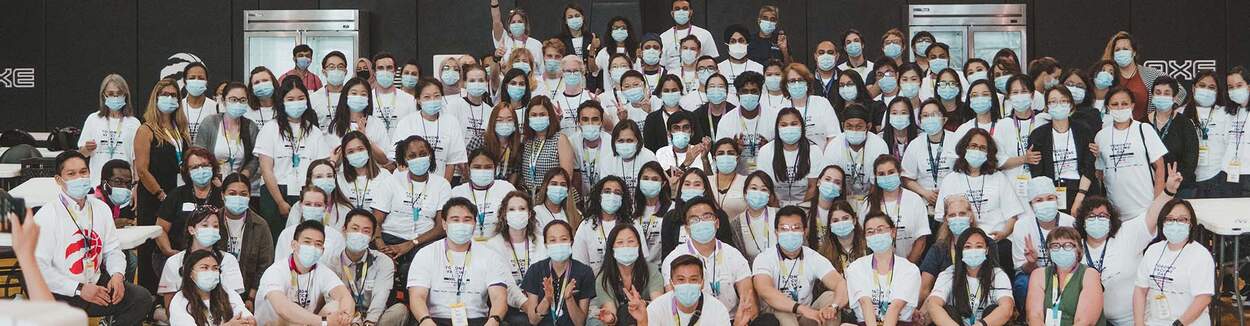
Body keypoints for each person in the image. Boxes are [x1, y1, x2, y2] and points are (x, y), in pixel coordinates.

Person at [35, 151, 155, 324]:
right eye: (71, 174)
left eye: (83, 172)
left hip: (95, 282)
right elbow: (39, 269)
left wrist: (117, 275)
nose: (79, 177)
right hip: (60, 291)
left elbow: (113, 250)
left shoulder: (101, 209)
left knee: (140, 298)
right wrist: (78, 289)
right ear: (59, 180)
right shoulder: (47, 215)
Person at [404, 198, 509, 326]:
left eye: (467, 220)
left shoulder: (490, 256)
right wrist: (425, 320)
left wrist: (494, 320)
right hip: (435, 320)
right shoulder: (426, 254)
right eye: (455, 220)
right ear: (444, 224)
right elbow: (417, 297)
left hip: (477, 321)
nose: (461, 224)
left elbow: (499, 297)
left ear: (474, 224)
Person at [371, 135, 453, 295]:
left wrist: (411, 243)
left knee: (418, 268)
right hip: (390, 237)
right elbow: (375, 221)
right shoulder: (391, 182)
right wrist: (381, 245)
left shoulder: (442, 185)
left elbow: (441, 228)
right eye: (412, 156)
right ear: (405, 160)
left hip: (424, 240)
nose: (419, 159)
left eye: (423, 154)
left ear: (431, 155)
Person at [134, 78, 192, 291]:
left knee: (175, 243)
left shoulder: (181, 129)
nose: (169, 99)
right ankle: (150, 300)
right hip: (154, 197)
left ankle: (174, 294)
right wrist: (160, 194)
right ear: (155, 98)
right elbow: (142, 169)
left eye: (173, 95)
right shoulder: (146, 129)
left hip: (177, 196)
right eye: (164, 94)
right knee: (151, 247)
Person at [660, 196, 756, 324]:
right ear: (687, 229)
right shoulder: (674, 259)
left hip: (731, 320)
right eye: (694, 219)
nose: (702, 222)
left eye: (707, 217)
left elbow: (749, 302)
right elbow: (672, 304)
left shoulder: (733, 255)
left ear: (717, 223)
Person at [256, 77, 331, 236]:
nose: (296, 102)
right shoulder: (270, 129)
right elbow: (266, 170)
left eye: (300, 98)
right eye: (290, 99)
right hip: (276, 193)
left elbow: (320, 166)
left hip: (306, 193)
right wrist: (280, 201)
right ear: (282, 102)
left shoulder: (314, 132)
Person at [752, 205, 847, 326]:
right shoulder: (764, 258)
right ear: (776, 232)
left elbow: (840, 283)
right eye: (784, 229)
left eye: (796, 228)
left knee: (830, 297)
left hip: (806, 316)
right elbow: (765, 291)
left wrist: (833, 307)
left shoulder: (812, 256)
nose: (790, 233)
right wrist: (800, 308)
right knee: (787, 316)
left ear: (805, 231)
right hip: (777, 312)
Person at [254, 220, 355, 325]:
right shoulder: (275, 271)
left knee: (335, 307)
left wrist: (345, 316)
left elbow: (344, 296)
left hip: (307, 323)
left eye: (318, 244)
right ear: (294, 245)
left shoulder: (322, 271)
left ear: (322, 251)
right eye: (307, 242)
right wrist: (323, 322)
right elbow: (282, 308)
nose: (313, 247)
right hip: (274, 323)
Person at [935, 129, 1025, 241]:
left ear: (988, 153)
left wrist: (1004, 234)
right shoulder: (950, 180)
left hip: (996, 241)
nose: (977, 150)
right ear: (964, 148)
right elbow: (943, 219)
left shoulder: (999, 178)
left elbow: (1012, 215)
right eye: (973, 146)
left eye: (983, 148)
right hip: (962, 243)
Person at [1093, 87, 1167, 218]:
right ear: (1107, 107)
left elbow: (1160, 167)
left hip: (1145, 209)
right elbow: (1099, 173)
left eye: (1124, 104)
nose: (1120, 108)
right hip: (1115, 213)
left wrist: (1157, 204)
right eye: (1115, 104)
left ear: (1132, 106)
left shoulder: (1144, 129)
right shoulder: (1101, 136)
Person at [158, 206, 245, 309]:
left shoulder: (229, 260)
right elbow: (170, 306)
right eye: (205, 225)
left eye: (215, 226)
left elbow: (235, 302)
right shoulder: (174, 262)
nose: (211, 230)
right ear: (191, 230)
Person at [924, 227, 1015, 326]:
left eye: (979, 246)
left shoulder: (997, 274)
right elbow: (933, 304)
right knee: (948, 311)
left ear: (987, 250)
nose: (973, 250)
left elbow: (1007, 308)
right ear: (961, 251)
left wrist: (980, 325)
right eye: (968, 247)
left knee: (992, 309)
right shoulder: (949, 273)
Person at [1028, 86, 1097, 212]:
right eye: (1053, 101)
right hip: (1050, 194)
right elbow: (1037, 173)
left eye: (1063, 101)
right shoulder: (1038, 135)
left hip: (1082, 191)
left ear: (1071, 105)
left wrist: (1079, 198)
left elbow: (1089, 167)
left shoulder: (1083, 130)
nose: (1058, 105)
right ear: (1047, 107)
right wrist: (1048, 199)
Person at [845, 212, 922, 325]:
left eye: (880, 230)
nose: (876, 234)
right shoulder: (856, 267)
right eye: (870, 232)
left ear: (893, 232)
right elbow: (865, 303)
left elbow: (895, 308)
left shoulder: (910, 270)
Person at [320, 209, 394, 325]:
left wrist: (369, 322)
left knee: (399, 311)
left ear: (373, 236)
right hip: (345, 317)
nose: (359, 234)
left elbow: (381, 296)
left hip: (374, 318)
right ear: (344, 230)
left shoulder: (383, 261)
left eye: (366, 231)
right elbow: (332, 298)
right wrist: (355, 322)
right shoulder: (331, 262)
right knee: (332, 308)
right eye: (354, 229)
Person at [1007, 177, 1076, 302]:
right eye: (1039, 200)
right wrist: (1031, 262)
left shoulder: (1070, 223)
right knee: (1022, 283)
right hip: (1033, 273)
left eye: (1050, 198)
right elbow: (1022, 269)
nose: (1045, 203)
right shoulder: (1022, 226)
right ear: (1031, 205)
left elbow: (1078, 261)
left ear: (1057, 200)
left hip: (1066, 271)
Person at [487, 191, 548, 325]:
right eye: (512, 209)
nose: (517, 213)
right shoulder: (493, 245)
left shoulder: (543, 243)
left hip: (540, 304)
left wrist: (537, 307)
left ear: (529, 213)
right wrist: (528, 307)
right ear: (504, 214)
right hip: (510, 309)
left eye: (522, 209)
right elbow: (505, 284)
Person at [1024, 227, 1105, 326]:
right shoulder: (1039, 275)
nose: (1061, 249)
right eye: (1055, 246)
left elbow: (1084, 322)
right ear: (1049, 251)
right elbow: (1034, 316)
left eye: (1068, 245)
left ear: (1079, 250)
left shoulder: (1090, 274)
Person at [521, 219, 596, 326]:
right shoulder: (535, 270)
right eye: (552, 240)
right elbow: (533, 320)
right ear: (546, 244)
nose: (558, 244)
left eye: (564, 239)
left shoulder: (584, 272)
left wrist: (569, 299)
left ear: (571, 242)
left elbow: (580, 323)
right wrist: (547, 300)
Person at [394, 77, 469, 181]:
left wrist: (443, 186)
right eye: (427, 97)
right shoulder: (406, 122)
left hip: (440, 182)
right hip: (410, 183)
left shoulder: (451, 122)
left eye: (437, 96)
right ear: (418, 100)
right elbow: (400, 161)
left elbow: (452, 162)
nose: (432, 100)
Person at [919, 196, 982, 317]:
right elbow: (924, 289)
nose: (958, 218)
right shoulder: (938, 249)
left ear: (971, 217)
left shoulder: (987, 244)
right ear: (946, 220)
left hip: (979, 302)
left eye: (962, 213)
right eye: (952, 215)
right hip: (946, 306)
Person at [626, 254, 732, 326]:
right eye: (681, 279)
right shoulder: (657, 308)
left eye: (693, 279)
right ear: (671, 284)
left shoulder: (717, 310)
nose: (687, 284)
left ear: (702, 283)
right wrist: (642, 322)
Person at [592, 223, 666, 326]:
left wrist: (643, 304)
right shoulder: (603, 279)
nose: (626, 246)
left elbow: (659, 304)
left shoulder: (651, 270)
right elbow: (610, 310)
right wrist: (611, 319)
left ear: (639, 245)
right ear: (612, 249)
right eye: (620, 242)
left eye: (631, 241)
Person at [156, 147, 222, 260]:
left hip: (214, 256)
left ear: (212, 167)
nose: (201, 170)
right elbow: (160, 228)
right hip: (178, 255)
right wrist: (169, 251)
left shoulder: (221, 196)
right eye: (195, 167)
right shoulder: (176, 195)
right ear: (188, 172)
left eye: (205, 165)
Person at [862, 155, 931, 263]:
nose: (886, 177)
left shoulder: (914, 199)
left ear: (899, 172)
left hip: (910, 264)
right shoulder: (868, 203)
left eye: (891, 172)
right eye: (881, 174)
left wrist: (907, 267)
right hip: (877, 265)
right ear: (876, 177)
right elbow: (863, 239)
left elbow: (921, 240)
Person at [219, 173, 274, 307]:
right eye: (232, 193)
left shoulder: (260, 225)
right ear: (222, 195)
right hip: (215, 292)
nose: (238, 197)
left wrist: (251, 298)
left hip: (248, 294)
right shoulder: (211, 221)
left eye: (243, 194)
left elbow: (265, 265)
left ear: (250, 196)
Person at [1104, 31, 1186, 120]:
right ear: (1114, 54)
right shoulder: (1109, 76)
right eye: (1117, 50)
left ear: (1134, 52)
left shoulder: (1150, 74)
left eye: (1125, 49)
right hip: (1115, 128)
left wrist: (1166, 110)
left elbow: (1181, 91)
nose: (1121, 52)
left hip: (1146, 129)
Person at [79, 74, 142, 185]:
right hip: (97, 183)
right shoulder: (93, 119)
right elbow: (82, 155)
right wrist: (87, 149)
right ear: (104, 95)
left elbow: (136, 160)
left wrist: (136, 185)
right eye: (111, 94)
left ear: (125, 95)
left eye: (119, 94)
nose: (115, 97)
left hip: (124, 185)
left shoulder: (134, 123)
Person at [168, 249, 256, 325]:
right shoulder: (179, 300)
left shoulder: (228, 293)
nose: (210, 272)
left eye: (215, 268)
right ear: (190, 273)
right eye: (204, 268)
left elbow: (244, 315)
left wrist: (249, 321)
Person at [1146, 76, 1200, 197]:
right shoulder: (1142, 124)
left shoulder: (1185, 124)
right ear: (1153, 96)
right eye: (1158, 93)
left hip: (1180, 188)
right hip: (1148, 188)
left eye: (1167, 93)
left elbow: (1191, 161)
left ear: (1174, 97)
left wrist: (1173, 183)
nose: (1162, 96)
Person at [823, 104, 887, 205]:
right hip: (841, 197)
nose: (854, 130)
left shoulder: (879, 145)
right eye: (849, 126)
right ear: (843, 125)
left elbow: (878, 183)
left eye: (859, 127)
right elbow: (829, 181)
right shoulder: (833, 146)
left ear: (868, 126)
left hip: (871, 197)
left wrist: (868, 206)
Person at [759, 107, 824, 205]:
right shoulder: (766, 151)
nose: (789, 128)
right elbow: (764, 186)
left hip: (805, 207)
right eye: (784, 125)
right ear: (777, 128)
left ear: (802, 126)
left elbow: (813, 186)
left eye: (794, 124)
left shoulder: (814, 151)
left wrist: (802, 210)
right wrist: (777, 211)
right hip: (775, 206)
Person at [195, 82, 260, 179]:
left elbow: (255, 158)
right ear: (224, 101)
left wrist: (243, 176)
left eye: (242, 100)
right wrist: (213, 177)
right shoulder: (210, 123)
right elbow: (199, 154)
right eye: (233, 99)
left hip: (239, 183)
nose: (238, 103)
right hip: (212, 180)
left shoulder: (251, 126)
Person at [1182, 71, 1232, 198]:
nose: (1206, 90)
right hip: (1187, 182)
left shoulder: (1225, 114)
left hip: (1216, 179)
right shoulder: (1180, 113)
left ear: (1217, 91)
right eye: (1202, 85)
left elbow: (1230, 147)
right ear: (1193, 88)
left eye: (1211, 87)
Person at [451, 149, 518, 242]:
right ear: (468, 168)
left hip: (500, 245)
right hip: (466, 244)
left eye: (488, 167)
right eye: (477, 167)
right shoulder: (457, 192)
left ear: (495, 168)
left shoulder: (506, 188)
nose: (482, 171)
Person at [901, 99, 955, 213]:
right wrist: (925, 193)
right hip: (924, 203)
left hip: (953, 200)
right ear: (920, 121)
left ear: (944, 119)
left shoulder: (956, 140)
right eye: (925, 115)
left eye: (934, 114)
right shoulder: (915, 144)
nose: (930, 119)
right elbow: (906, 178)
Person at [574, 176, 635, 274]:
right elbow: (579, 264)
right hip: (593, 284)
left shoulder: (633, 225)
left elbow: (641, 260)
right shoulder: (586, 226)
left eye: (617, 193)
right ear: (599, 196)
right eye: (607, 191)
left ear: (623, 198)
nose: (612, 195)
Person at [716, 71, 774, 172]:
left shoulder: (774, 117)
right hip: (737, 177)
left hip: (767, 174)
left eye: (754, 91)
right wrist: (734, 149)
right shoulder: (726, 121)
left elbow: (784, 151)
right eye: (745, 91)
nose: (749, 95)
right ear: (738, 93)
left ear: (760, 93)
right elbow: (719, 156)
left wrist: (769, 149)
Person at [273, 186, 346, 266]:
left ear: (325, 208)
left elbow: (340, 269)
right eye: (308, 204)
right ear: (301, 206)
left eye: (318, 205)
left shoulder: (336, 237)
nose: (313, 208)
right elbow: (279, 265)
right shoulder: (286, 234)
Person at [325, 78, 393, 162]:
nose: (358, 97)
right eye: (354, 93)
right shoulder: (336, 125)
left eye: (363, 94)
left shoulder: (376, 123)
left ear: (368, 98)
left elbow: (384, 160)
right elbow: (333, 161)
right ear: (346, 96)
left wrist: (365, 139)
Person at [519, 96, 577, 194]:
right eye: (534, 115)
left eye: (542, 114)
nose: (538, 118)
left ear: (550, 116)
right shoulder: (526, 141)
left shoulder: (560, 139)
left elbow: (567, 176)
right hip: (530, 197)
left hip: (554, 195)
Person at [784, 63, 841, 148]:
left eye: (800, 80)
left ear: (807, 82)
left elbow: (834, 136)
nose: (796, 84)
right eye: (792, 81)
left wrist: (823, 158)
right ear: (786, 85)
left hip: (821, 158)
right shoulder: (781, 108)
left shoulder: (822, 103)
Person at [597, 121, 658, 195]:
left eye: (630, 140)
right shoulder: (607, 161)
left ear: (638, 141)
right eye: (621, 141)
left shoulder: (648, 157)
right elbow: (606, 191)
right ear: (614, 142)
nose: (625, 144)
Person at [337, 132, 393, 211]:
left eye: (360, 149)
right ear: (345, 155)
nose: (356, 154)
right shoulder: (339, 179)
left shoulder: (384, 176)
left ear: (368, 150)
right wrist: (333, 162)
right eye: (350, 152)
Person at [371, 52, 419, 139]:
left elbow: (414, 129)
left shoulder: (409, 100)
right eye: (380, 68)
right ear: (374, 72)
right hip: (374, 150)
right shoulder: (367, 98)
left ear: (395, 71)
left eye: (389, 68)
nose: (385, 71)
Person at [659, 0, 718, 72]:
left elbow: (712, 61)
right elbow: (661, 64)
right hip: (672, 79)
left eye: (685, 8)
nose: (681, 12)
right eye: (677, 9)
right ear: (672, 13)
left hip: (698, 79)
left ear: (690, 12)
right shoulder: (664, 37)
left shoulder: (704, 34)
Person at [633, 162, 673, 265]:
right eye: (645, 178)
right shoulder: (631, 208)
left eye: (655, 179)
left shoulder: (672, 208)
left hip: (661, 267)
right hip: (635, 267)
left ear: (663, 183)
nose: (649, 182)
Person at [814, 200, 866, 274]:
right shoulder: (823, 255)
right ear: (830, 226)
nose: (841, 223)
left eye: (845, 218)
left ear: (854, 220)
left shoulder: (868, 247)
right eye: (835, 221)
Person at [570, 101, 611, 193]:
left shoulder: (611, 143)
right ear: (578, 122)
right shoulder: (571, 142)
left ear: (601, 122)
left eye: (595, 119)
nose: (590, 123)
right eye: (585, 119)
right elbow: (575, 179)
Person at [804, 166, 849, 250]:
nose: (831, 184)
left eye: (837, 182)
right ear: (818, 182)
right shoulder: (804, 210)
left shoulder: (847, 213)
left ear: (841, 190)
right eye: (828, 179)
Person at [490, 1, 543, 67]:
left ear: (525, 25)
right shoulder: (504, 39)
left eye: (520, 22)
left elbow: (541, 70)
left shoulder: (536, 44)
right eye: (513, 22)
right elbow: (496, 21)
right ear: (509, 26)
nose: (516, 24)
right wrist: (494, 2)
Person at [1222, 67, 1250, 195]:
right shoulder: (1230, 113)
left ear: (1248, 86)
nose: (1234, 90)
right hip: (1229, 174)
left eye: (1239, 85)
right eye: (1230, 87)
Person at [485, 100, 524, 181]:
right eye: (499, 120)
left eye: (509, 120)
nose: (505, 123)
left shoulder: (518, 146)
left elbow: (515, 173)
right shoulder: (479, 141)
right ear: (493, 122)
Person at [709, 138, 747, 219]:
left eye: (730, 153)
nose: (725, 156)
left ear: (737, 158)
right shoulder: (706, 181)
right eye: (721, 153)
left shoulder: (746, 182)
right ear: (714, 158)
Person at [94, 159, 137, 229]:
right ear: (104, 183)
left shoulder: (114, 202)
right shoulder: (93, 203)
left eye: (128, 183)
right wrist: (113, 224)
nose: (124, 187)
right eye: (118, 181)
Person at [311, 51, 350, 126]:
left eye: (340, 67)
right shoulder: (313, 98)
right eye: (331, 67)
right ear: (324, 72)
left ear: (345, 72)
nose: (336, 70)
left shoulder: (352, 96)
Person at [719, 25, 764, 89]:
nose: (737, 44)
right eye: (733, 41)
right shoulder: (719, 68)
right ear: (727, 44)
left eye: (741, 40)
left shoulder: (758, 68)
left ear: (747, 43)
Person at [180, 63, 217, 140]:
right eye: (192, 78)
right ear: (184, 81)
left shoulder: (216, 107)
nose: (196, 80)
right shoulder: (178, 106)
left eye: (201, 78)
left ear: (207, 81)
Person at [693, 74, 737, 139]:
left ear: (727, 92)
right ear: (706, 92)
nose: (716, 90)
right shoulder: (697, 115)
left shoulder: (735, 113)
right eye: (712, 86)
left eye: (720, 87)